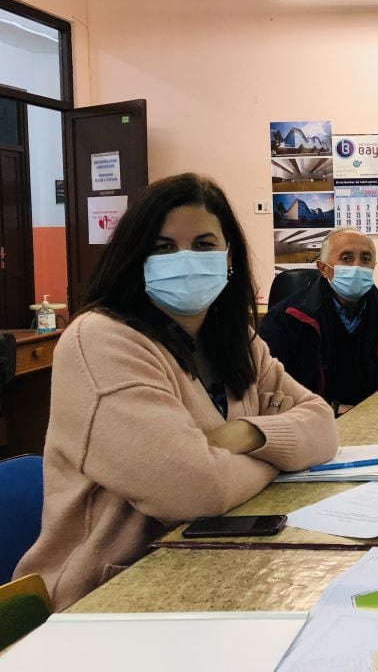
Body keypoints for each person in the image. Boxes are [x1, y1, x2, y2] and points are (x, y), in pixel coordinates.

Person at [15, 173, 338, 610]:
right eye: (163, 247)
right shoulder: (101, 340)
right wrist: (280, 455)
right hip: (108, 594)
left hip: (219, 566)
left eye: (204, 244)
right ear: (135, 256)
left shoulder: (236, 339)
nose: (184, 259)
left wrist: (249, 434)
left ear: (228, 258)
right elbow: (195, 491)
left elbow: (322, 426)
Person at [259, 227, 378, 408]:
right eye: (346, 258)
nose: (357, 266)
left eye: (366, 258)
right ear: (323, 268)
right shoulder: (285, 320)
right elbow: (271, 389)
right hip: (311, 422)